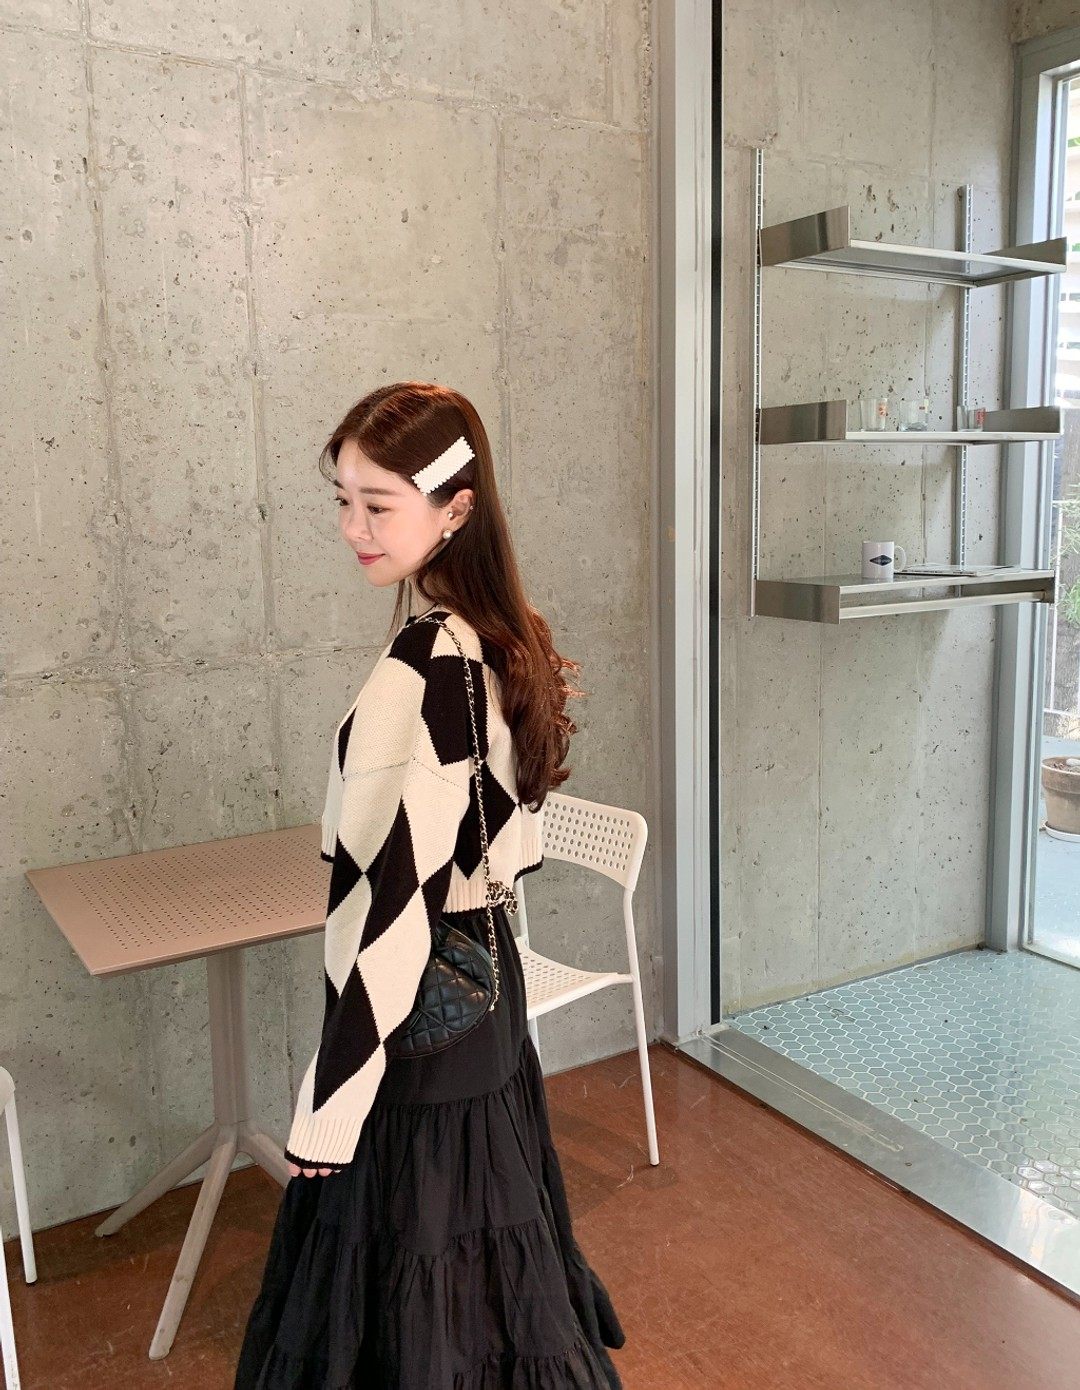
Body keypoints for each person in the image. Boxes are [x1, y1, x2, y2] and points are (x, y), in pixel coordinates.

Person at [233, 381, 626, 1388]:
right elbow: (499, 845)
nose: (352, 528)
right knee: (483, 1258)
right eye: (343, 500)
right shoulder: (503, 635)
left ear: (455, 508)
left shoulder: (423, 664)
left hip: (419, 1009)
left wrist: (332, 1098)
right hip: (485, 990)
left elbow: (389, 903)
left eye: (378, 503)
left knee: (412, 1274)